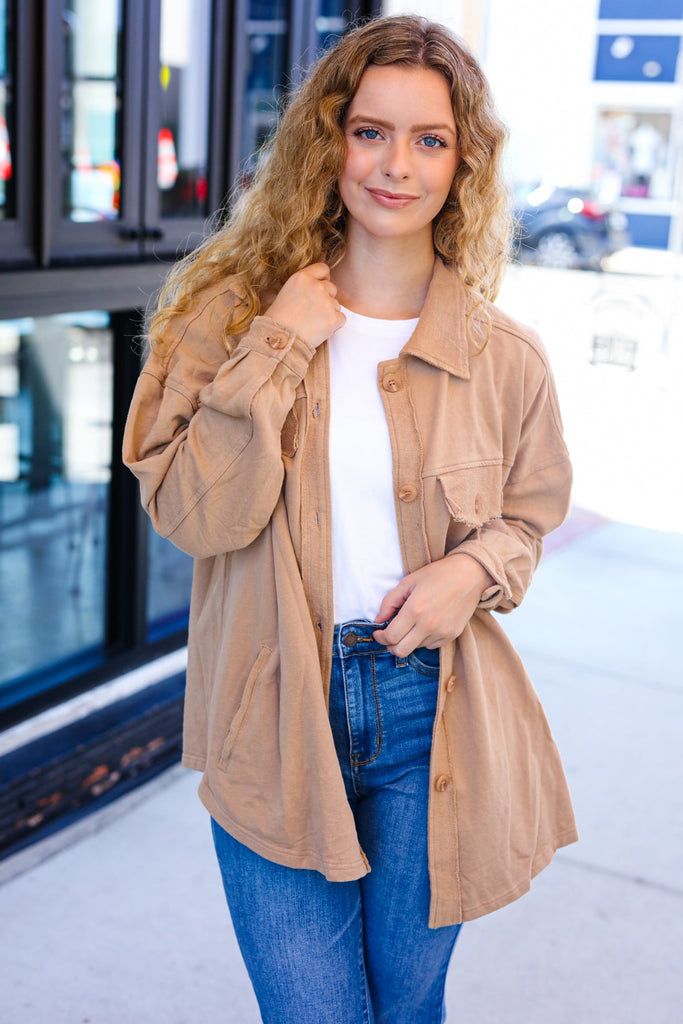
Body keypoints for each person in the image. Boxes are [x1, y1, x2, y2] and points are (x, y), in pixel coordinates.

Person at [123, 14, 577, 1024]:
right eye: (368, 130)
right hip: (272, 707)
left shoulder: (503, 355)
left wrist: (471, 574)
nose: (393, 166)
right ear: (326, 138)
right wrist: (279, 346)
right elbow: (188, 513)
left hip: (433, 719)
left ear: (461, 165)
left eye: (428, 140)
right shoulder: (231, 317)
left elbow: (525, 518)